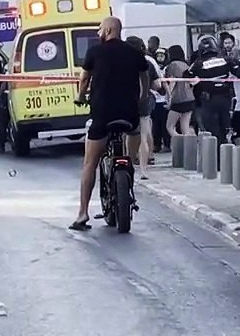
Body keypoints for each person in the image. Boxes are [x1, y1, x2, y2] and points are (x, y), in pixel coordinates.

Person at [71, 17, 151, 231]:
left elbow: (84, 79)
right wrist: (142, 97)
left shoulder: (95, 52)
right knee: (131, 144)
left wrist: (80, 96)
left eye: (100, 29)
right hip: (129, 114)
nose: (98, 33)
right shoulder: (135, 53)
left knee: (90, 163)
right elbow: (145, 76)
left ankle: (82, 214)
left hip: (102, 114)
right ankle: (129, 168)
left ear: (108, 30)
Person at [185, 34, 240, 144]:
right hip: (225, 99)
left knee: (212, 133)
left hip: (208, 101)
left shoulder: (198, 64)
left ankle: (215, 157)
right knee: (225, 131)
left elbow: (186, 77)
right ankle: (225, 155)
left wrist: (198, 80)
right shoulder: (226, 60)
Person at [125, 36, 163, 178]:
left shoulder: (122, 61)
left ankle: (128, 163)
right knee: (144, 135)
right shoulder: (148, 62)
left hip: (127, 102)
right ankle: (143, 170)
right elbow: (157, 85)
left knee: (130, 134)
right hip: (145, 102)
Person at [164, 45, 196, 138]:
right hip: (189, 98)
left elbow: (172, 82)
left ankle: (179, 143)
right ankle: (190, 145)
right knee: (185, 127)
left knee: (170, 126)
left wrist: (169, 96)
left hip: (178, 99)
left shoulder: (173, 65)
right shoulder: (186, 65)